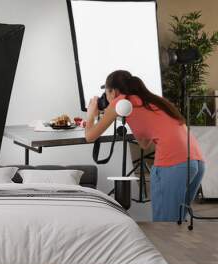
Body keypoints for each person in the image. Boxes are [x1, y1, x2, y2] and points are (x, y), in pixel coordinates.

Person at [85, 70, 204, 222]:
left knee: (165, 224)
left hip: (174, 164)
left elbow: (90, 136)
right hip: (196, 162)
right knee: (178, 222)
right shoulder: (151, 100)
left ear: (113, 92)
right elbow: (144, 143)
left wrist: (91, 114)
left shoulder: (119, 102)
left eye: (106, 93)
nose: (106, 98)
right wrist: (130, 120)